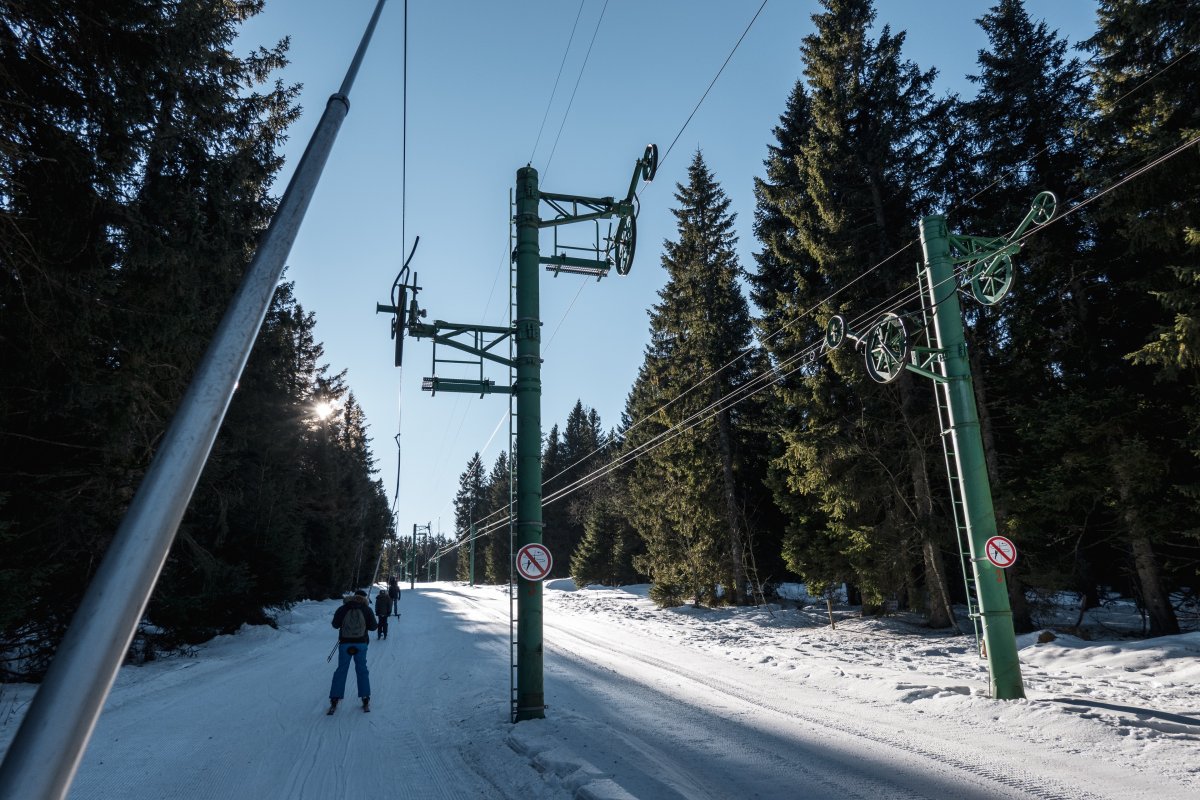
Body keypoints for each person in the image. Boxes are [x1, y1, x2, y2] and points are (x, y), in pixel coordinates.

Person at [328, 589, 377, 714]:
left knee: (341, 670)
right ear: (364, 598)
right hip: (361, 644)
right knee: (362, 670)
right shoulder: (366, 609)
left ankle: (335, 698)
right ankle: (365, 697)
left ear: (354, 596)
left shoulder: (343, 608)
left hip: (345, 643)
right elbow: (373, 627)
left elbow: (335, 625)